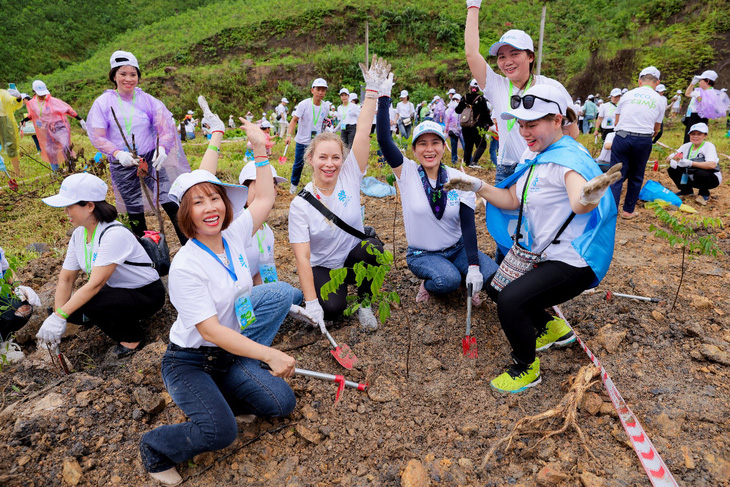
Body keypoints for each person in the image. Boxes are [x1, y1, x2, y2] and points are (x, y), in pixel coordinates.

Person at [139, 109, 307, 485]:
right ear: (186, 214)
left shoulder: (232, 236)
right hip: (191, 362)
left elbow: (263, 196)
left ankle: (226, 396)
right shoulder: (186, 266)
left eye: (214, 198)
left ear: (225, 202)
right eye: (198, 203)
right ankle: (154, 447)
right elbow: (211, 331)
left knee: (281, 404)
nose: (210, 208)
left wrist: (261, 150)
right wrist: (268, 353)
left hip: (229, 356)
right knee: (221, 434)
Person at [444, 84, 618, 393]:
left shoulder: (565, 159)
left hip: (572, 260)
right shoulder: (536, 153)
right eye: (521, 124)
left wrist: (590, 196)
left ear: (556, 120)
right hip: (542, 253)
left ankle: (525, 367)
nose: (524, 131)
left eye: (532, 124)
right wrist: (477, 185)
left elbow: (579, 201)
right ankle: (552, 328)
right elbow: (512, 199)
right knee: (497, 286)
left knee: (511, 302)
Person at [376, 72, 498, 305]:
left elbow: (468, 224)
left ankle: (464, 272)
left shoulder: (457, 178)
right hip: (423, 254)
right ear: (414, 150)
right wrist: (383, 98)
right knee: (446, 281)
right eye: (422, 143)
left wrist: (473, 266)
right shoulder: (407, 172)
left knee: (493, 279)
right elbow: (383, 139)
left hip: (457, 249)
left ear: (444, 147)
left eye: (435, 143)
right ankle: (432, 281)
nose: (429, 149)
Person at [289, 56, 389, 332]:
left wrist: (372, 93)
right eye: (323, 157)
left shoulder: (349, 175)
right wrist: (311, 301)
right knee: (333, 310)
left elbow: (361, 135)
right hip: (325, 265)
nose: (330, 163)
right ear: (310, 159)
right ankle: (318, 294)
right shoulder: (300, 204)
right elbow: (302, 257)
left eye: (335, 157)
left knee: (375, 250)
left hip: (352, 252)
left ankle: (365, 301)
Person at [36, 173, 166, 357]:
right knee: (69, 310)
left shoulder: (113, 234)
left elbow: (95, 284)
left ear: (90, 206)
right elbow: (66, 278)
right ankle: (109, 316)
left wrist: (59, 316)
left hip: (145, 293)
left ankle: (132, 340)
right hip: (117, 291)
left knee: (90, 303)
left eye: (69, 206)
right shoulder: (79, 235)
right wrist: (58, 316)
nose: (65, 211)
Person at [464, 4, 578, 186]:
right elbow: (471, 54)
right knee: (507, 214)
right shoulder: (497, 86)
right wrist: (473, 6)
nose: (507, 62)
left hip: (543, 166)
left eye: (515, 54)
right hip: (507, 169)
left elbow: (572, 132)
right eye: (501, 57)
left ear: (531, 56)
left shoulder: (551, 87)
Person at [86, 50, 191, 244]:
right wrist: (117, 153)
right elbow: (97, 136)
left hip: (150, 159)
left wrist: (162, 148)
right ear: (114, 76)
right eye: (123, 74)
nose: (128, 79)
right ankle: (148, 256)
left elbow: (165, 128)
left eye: (133, 74)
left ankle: (190, 245)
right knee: (135, 211)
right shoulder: (103, 103)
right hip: (123, 165)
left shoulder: (147, 100)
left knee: (170, 202)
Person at [609, 66, 666, 219]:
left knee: (616, 175)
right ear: (657, 82)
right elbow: (656, 128)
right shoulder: (660, 100)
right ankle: (628, 211)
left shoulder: (627, 95)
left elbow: (617, 120)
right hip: (643, 139)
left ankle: (611, 212)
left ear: (640, 81)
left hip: (622, 137)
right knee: (636, 176)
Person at [22, 80, 87, 171]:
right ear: (34, 92)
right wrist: (25, 119)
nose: (42, 95)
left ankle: (71, 168)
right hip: (45, 128)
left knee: (65, 147)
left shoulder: (53, 101)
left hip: (60, 126)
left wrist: (80, 119)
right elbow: (32, 115)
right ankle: (56, 172)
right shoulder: (32, 103)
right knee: (49, 150)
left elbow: (68, 110)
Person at [285, 78, 332, 194]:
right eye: (318, 89)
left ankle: (317, 186)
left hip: (316, 142)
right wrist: (288, 135)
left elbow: (323, 122)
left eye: (323, 90)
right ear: (312, 90)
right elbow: (294, 120)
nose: (320, 92)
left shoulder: (325, 107)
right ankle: (293, 187)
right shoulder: (304, 104)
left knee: (318, 164)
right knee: (298, 164)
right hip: (302, 140)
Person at [666, 122, 720, 206]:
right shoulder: (686, 146)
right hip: (690, 175)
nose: (695, 136)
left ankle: (703, 193)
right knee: (672, 169)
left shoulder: (708, 146)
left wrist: (691, 163)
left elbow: (712, 165)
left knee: (701, 173)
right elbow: (671, 158)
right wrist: (672, 160)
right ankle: (686, 190)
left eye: (699, 134)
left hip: (710, 178)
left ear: (705, 135)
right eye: (693, 134)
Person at [455, 79, 491, 167]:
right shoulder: (481, 99)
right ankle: (474, 162)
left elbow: (457, 110)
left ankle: (466, 164)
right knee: (482, 144)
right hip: (477, 126)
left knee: (468, 145)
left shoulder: (465, 97)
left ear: (470, 87)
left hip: (465, 126)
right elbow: (486, 114)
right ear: (478, 88)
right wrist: (491, 124)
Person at [683, 70, 721, 144]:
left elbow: (707, 106)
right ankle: (686, 151)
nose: (699, 82)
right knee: (688, 134)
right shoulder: (699, 90)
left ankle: (693, 152)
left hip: (700, 116)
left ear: (707, 81)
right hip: (691, 115)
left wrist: (699, 98)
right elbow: (687, 93)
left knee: (696, 135)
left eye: (700, 80)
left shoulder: (712, 92)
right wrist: (692, 83)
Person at [0, 86, 23, 176]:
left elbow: (13, 101)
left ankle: (17, 173)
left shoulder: (3, 94)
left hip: (5, 122)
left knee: (11, 147)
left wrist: (18, 97)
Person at [444, 94, 463, 165]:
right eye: (454, 100)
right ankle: (454, 161)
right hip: (452, 131)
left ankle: (469, 160)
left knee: (465, 145)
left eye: (457, 100)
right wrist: (446, 131)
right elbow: (447, 121)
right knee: (453, 146)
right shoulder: (450, 110)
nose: (455, 101)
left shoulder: (462, 109)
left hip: (461, 131)